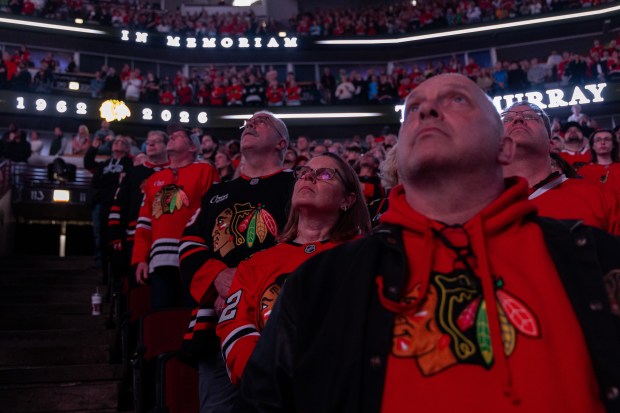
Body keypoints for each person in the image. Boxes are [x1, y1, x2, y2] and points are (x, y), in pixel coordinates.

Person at [237, 74, 620, 412]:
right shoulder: (321, 280)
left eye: (456, 99)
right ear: (398, 155)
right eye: (413, 108)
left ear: (504, 148)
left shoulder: (594, 258)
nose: (426, 112)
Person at [217, 153, 370, 385]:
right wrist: (266, 380)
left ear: (347, 200)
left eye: (325, 174)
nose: (309, 177)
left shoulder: (367, 255)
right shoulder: (254, 265)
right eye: (304, 172)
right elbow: (234, 328)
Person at [179, 111, 296, 413]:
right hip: (216, 321)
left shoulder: (299, 186)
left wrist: (242, 287)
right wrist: (218, 278)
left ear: (281, 142)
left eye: (263, 122)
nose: (251, 125)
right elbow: (190, 243)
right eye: (249, 123)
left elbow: (309, 246)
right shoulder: (217, 193)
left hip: (278, 319)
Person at [132, 124, 219, 310]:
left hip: (196, 259)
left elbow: (214, 216)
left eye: (178, 135)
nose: (171, 137)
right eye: (171, 135)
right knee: (164, 320)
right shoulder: (153, 180)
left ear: (192, 147)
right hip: (160, 261)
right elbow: (144, 223)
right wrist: (140, 258)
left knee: (192, 318)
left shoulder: (205, 171)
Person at [501, 101, 620, 235]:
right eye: (508, 119)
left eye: (530, 117)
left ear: (550, 143)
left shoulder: (600, 196)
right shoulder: (476, 204)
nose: (518, 119)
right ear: (496, 141)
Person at [84, 136, 133, 275]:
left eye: (121, 142)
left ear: (126, 148)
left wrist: (104, 180)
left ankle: (113, 264)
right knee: (99, 233)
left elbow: (123, 181)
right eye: (115, 142)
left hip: (118, 203)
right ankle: (100, 262)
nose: (117, 143)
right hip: (101, 202)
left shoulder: (129, 163)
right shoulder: (105, 163)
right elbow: (89, 165)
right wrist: (93, 148)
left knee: (116, 233)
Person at [579, 129, 620, 193]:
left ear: (614, 144)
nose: (602, 142)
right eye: (598, 140)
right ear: (592, 146)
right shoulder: (583, 171)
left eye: (607, 139)